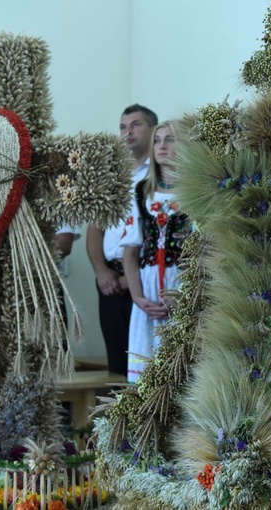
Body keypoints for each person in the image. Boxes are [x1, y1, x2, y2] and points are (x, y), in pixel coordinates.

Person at [86, 104, 158, 376]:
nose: (128, 132)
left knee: (145, 363)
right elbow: (96, 226)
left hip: (146, 276)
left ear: (153, 129)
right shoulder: (112, 175)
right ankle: (116, 420)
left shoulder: (161, 172)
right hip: (110, 280)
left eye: (136, 125)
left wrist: (135, 278)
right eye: (123, 126)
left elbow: (160, 230)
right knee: (116, 365)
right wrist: (100, 270)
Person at [121, 122, 190, 383]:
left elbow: (204, 252)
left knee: (179, 372)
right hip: (147, 288)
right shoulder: (141, 192)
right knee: (145, 370)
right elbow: (130, 251)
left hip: (181, 283)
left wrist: (183, 297)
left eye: (170, 140)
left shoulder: (193, 193)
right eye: (157, 141)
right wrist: (138, 298)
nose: (162, 146)